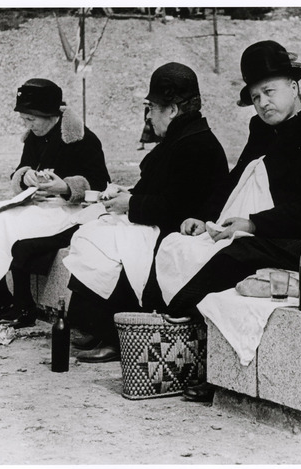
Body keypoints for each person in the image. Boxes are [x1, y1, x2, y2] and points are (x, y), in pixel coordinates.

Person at [155, 40, 301, 401]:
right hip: (268, 236)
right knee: (178, 244)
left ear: (294, 88)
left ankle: (175, 329)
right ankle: (187, 344)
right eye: (255, 95)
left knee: (238, 254)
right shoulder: (263, 133)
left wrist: (252, 224)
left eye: (269, 91)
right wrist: (205, 219)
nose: (263, 102)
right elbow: (234, 181)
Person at [62, 62, 229, 363]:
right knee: (93, 230)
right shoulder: (182, 139)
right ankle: (91, 325)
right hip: (161, 224)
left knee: (107, 241)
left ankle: (110, 334)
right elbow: (159, 192)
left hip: (178, 232)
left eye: (152, 108)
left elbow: (178, 207)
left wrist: (131, 204)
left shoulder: (195, 146)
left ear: (173, 110)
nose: (149, 116)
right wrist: (128, 196)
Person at [0, 78, 110, 328]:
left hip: (69, 210)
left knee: (8, 229)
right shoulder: (35, 136)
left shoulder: (82, 139)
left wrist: (67, 187)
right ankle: (0, 298)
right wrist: (25, 177)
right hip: (39, 205)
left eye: (31, 119)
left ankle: (23, 306)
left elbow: (101, 183)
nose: (26, 125)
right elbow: (21, 170)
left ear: (51, 115)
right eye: (24, 119)